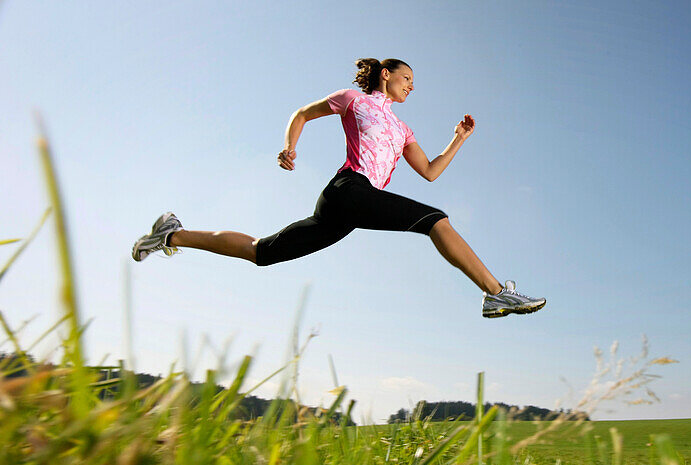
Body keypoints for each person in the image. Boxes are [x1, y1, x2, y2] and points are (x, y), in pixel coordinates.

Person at [131, 58, 546, 319]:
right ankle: (495, 293)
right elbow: (302, 113)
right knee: (435, 221)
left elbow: (431, 171)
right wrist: (289, 147)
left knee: (262, 252)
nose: (411, 86)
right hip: (348, 190)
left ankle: (171, 233)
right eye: (407, 78)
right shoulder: (353, 99)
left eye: (413, 84)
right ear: (386, 74)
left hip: (348, 211)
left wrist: (458, 139)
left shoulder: (403, 129)